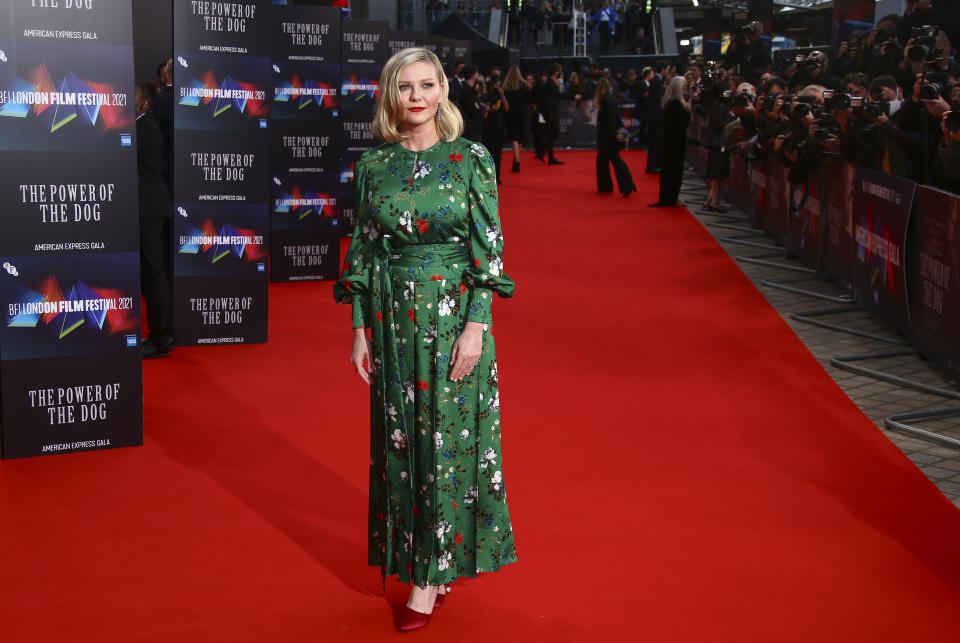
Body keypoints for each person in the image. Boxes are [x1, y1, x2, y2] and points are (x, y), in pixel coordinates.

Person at [332, 47, 518, 633]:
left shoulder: (471, 159)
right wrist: (360, 328)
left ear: (443, 91)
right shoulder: (373, 167)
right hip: (391, 321)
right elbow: (362, 252)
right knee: (402, 446)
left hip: (451, 318)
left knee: (447, 443)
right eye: (405, 87)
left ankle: (429, 576)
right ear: (391, 95)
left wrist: (475, 326)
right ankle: (420, 559)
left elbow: (489, 251)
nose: (417, 96)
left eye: (427, 85)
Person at [135, 83, 174, 358]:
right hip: (149, 207)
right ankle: (161, 334)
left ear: (144, 102)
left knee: (154, 275)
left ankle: (160, 338)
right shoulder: (143, 124)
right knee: (151, 276)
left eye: (132, 97)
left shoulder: (144, 127)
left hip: (149, 209)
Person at [650, 76, 691, 207]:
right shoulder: (676, 104)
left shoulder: (670, 103)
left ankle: (670, 197)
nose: (686, 89)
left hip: (671, 142)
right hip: (675, 143)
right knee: (674, 171)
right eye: (684, 87)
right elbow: (682, 123)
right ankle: (671, 198)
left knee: (670, 171)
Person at [594, 78, 636, 197]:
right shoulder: (609, 98)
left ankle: (624, 185)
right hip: (609, 135)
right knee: (606, 161)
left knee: (614, 161)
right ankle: (607, 187)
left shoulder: (605, 99)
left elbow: (611, 119)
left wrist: (615, 134)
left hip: (608, 137)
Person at [534, 63, 564, 164]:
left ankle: (545, 153)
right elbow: (548, 100)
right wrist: (548, 114)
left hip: (551, 113)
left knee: (551, 135)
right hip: (550, 114)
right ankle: (544, 152)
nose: (561, 73)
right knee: (550, 135)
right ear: (556, 72)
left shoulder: (552, 83)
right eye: (560, 71)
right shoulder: (549, 84)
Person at [481, 75, 508, 183]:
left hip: (499, 128)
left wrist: (503, 96)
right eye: (496, 85)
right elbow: (485, 113)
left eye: (499, 85)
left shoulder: (500, 97)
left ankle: (497, 177)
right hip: (489, 128)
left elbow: (507, 108)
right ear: (491, 85)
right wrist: (491, 110)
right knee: (490, 154)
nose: (498, 87)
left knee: (498, 154)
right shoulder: (485, 97)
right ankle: (489, 177)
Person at [503, 65, 529, 173]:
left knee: (514, 137)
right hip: (522, 114)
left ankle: (516, 160)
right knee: (520, 138)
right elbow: (528, 100)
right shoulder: (525, 85)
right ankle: (516, 160)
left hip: (511, 114)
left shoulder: (506, 86)